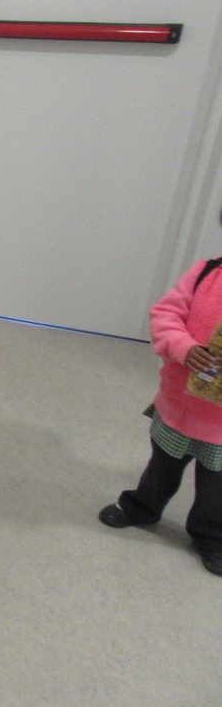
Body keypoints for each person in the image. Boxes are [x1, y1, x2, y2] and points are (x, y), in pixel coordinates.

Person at [98, 228, 222, 577]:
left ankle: (212, 534)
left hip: (221, 427)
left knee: (217, 487)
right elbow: (166, 315)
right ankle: (142, 506)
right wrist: (184, 348)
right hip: (179, 405)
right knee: (162, 466)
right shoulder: (205, 273)